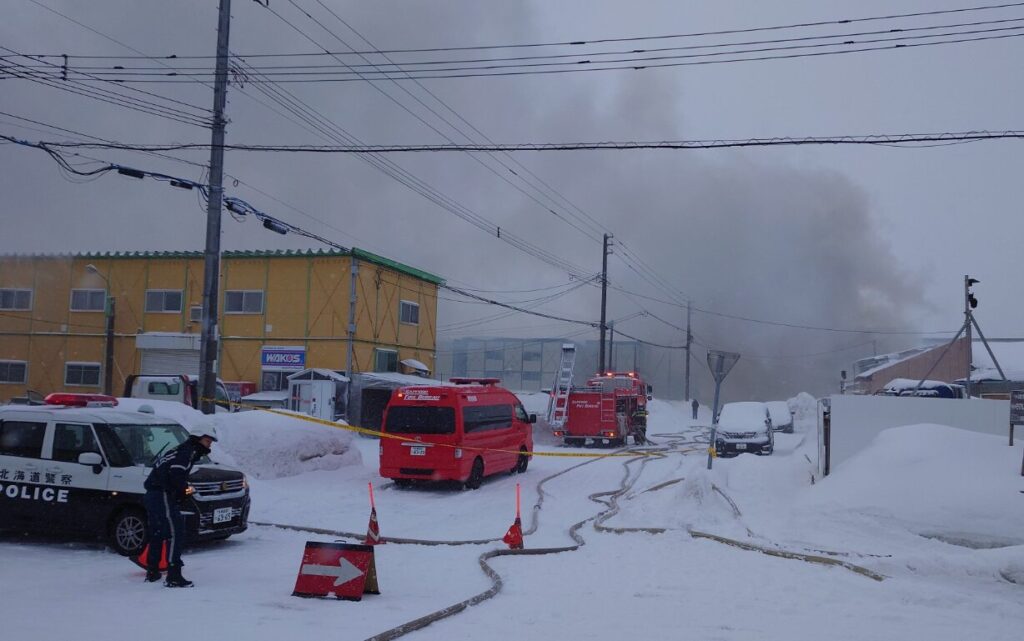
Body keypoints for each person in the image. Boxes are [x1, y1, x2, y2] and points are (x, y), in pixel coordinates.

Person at [143, 432, 217, 587]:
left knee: (158, 531)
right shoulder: (187, 452)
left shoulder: (181, 449)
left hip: (153, 493)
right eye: (207, 441)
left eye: (211, 442)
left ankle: (152, 570)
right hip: (162, 493)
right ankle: (174, 575)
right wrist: (183, 491)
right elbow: (176, 474)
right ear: (198, 439)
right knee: (175, 532)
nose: (209, 445)